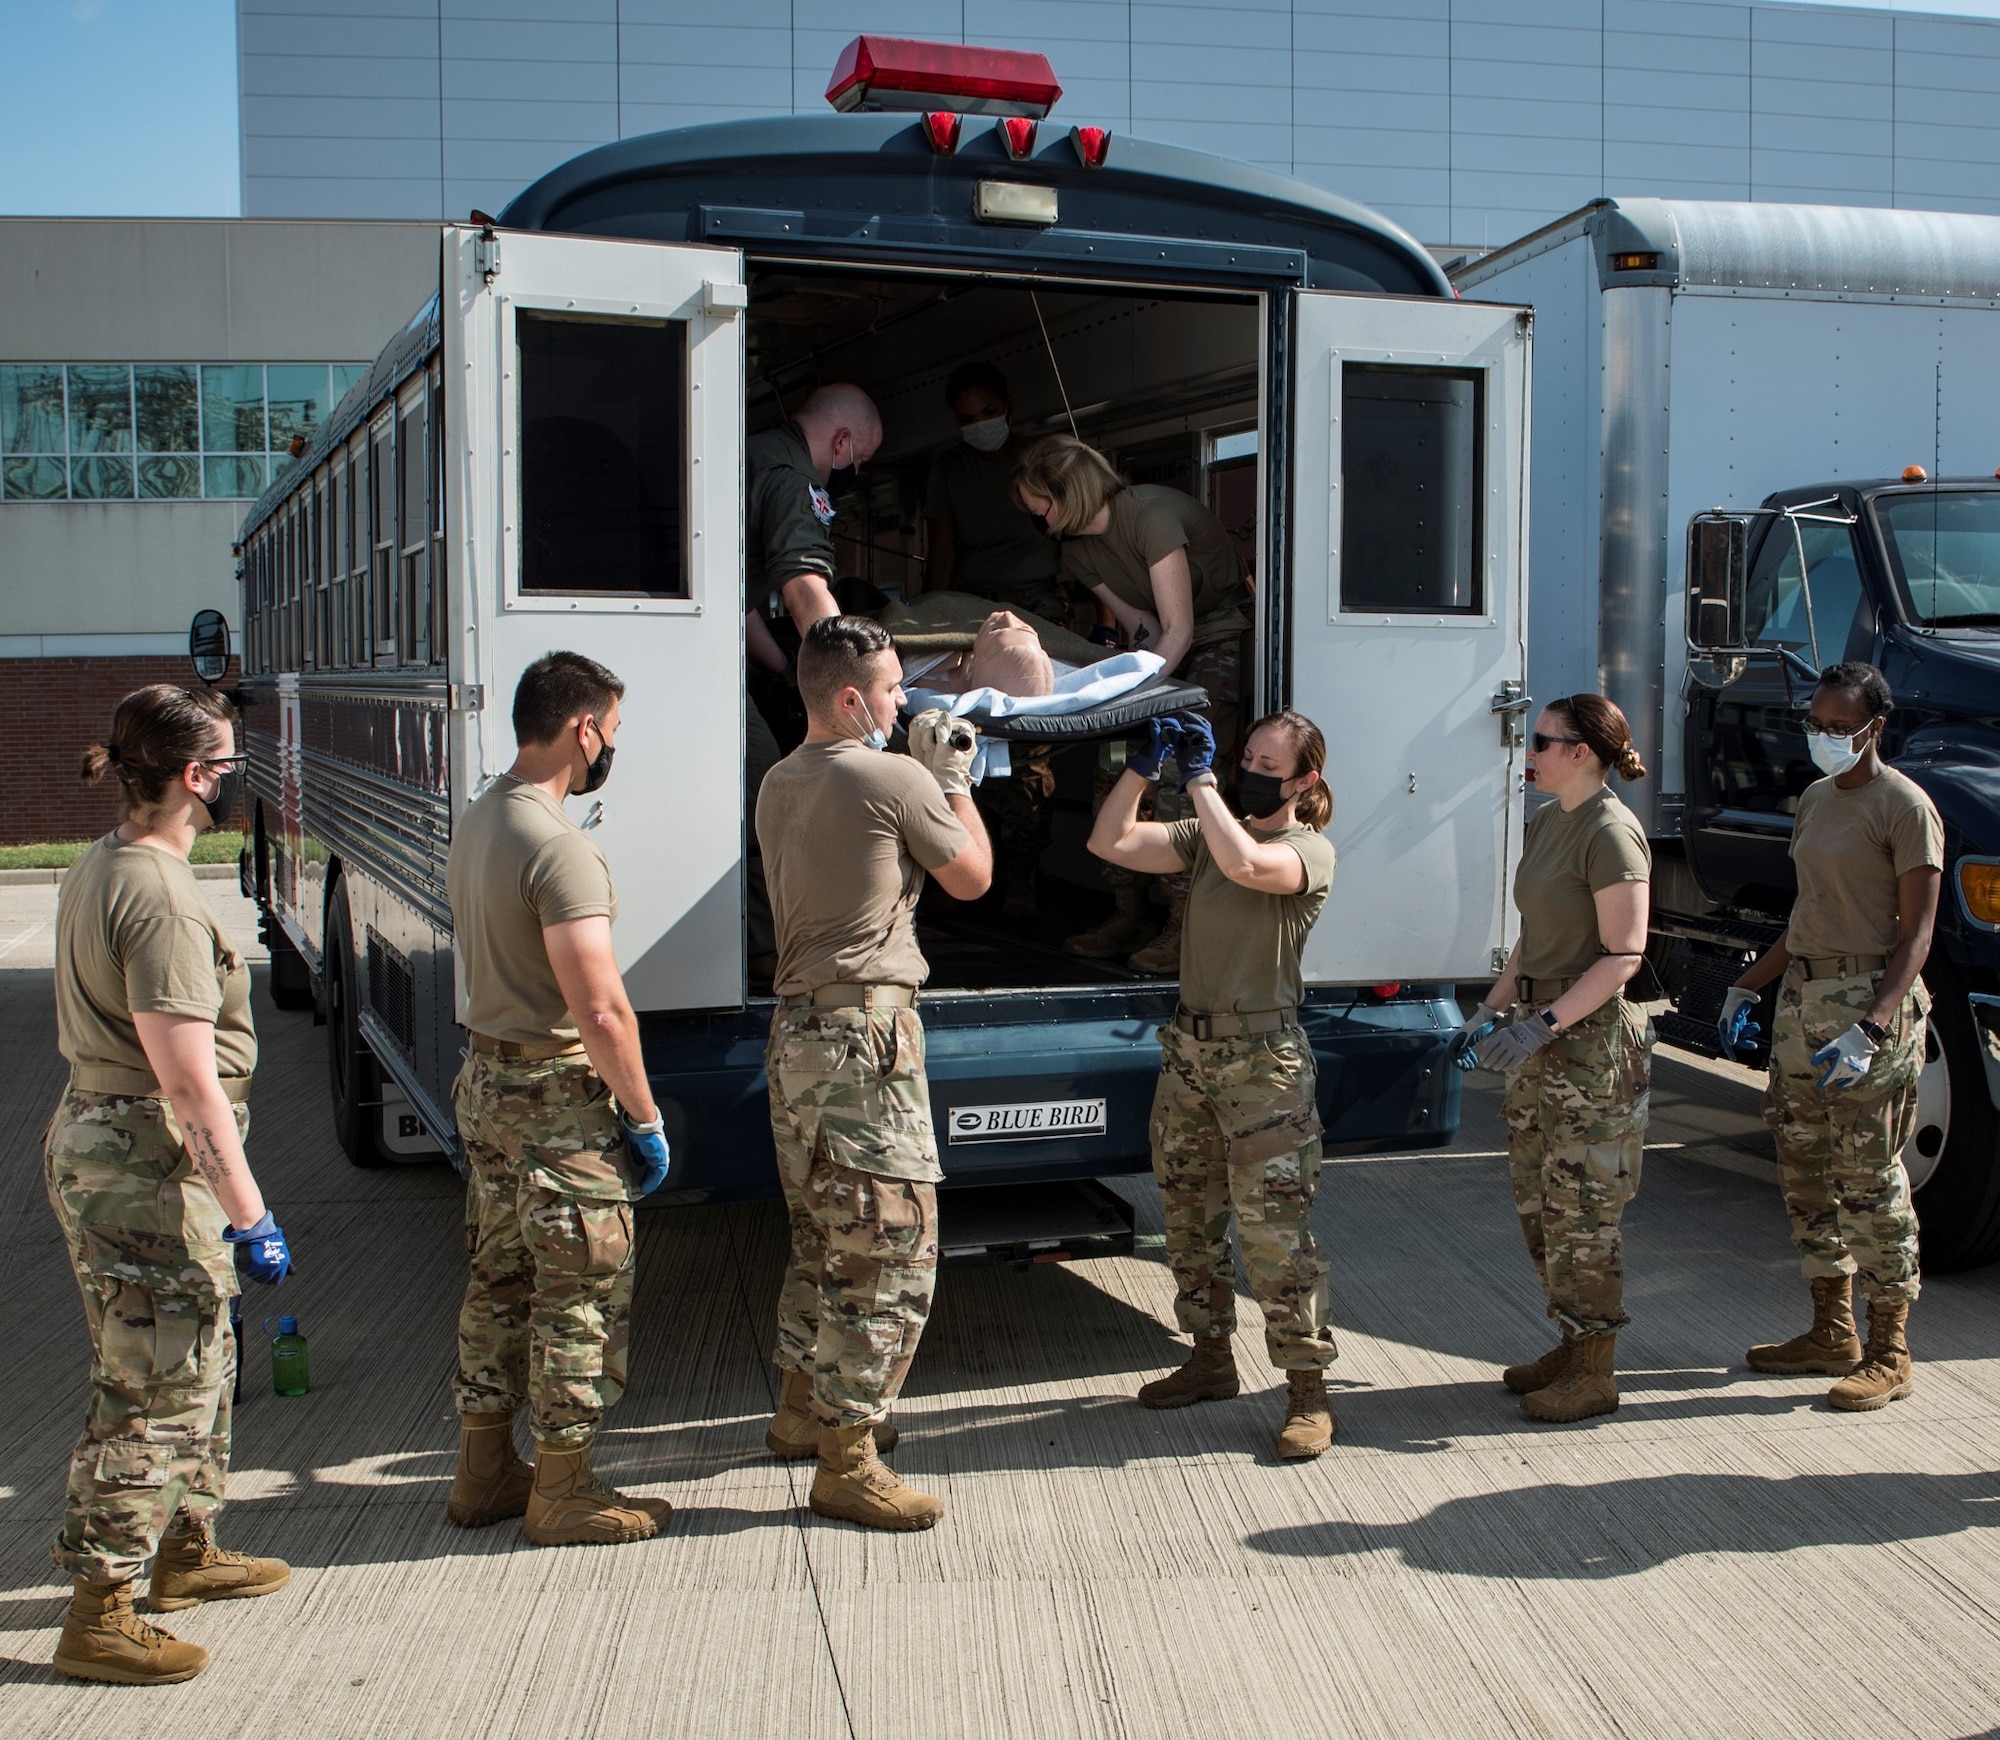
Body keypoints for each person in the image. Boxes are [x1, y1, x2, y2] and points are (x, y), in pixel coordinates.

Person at [46, 684, 293, 1685]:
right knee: (152, 1386)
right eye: (229, 767)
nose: (237, 784)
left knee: (201, 1363)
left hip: (132, 1154)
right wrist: (252, 1212)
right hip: (145, 1161)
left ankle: (185, 1553)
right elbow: (187, 1079)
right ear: (196, 779)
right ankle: (100, 1608)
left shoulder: (108, 863)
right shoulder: (153, 898)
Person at [755, 616, 993, 1530]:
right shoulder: (891, 777)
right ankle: (847, 1456)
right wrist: (952, 781)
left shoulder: (780, 779)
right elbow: (971, 877)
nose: (907, 705)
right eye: (895, 691)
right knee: (892, 1249)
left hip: (800, 1036)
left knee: (823, 1235)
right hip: (866, 1039)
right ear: (851, 697)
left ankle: (799, 1410)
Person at [444, 652, 674, 1548]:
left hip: (488, 1083)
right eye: (611, 729)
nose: (612, 744)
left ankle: (484, 1472)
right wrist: (645, 1116)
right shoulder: (559, 847)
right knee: (578, 1295)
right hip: (553, 1098)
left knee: (498, 1282)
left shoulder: (481, 819)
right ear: (582, 729)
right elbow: (602, 1007)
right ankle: (564, 1491)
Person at [1089, 709, 1341, 1458]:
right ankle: (1208, 1359)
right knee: (1188, 1223)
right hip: (1191, 1058)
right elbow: (1111, 842)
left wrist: (1198, 781)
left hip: (1265, 1064)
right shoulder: (1208, 833)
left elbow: (1246, 867)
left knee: (1275, 1236)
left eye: (1270, 763)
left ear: (1304, 781)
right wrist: (1143, 766)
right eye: (1246, 756)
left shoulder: (1307, 849)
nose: (1250, 770)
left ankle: (1307, 1390)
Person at [1721, 661, 1942, 1410]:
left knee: (1869, 1178)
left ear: (1876, 728)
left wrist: (1875, 1025)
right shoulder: (1817, 799)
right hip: (1803, 999)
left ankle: (1890, 1349)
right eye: (1815, 724)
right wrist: (1749, 983)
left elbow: (1917, 936)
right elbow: (1809, 913)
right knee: (1804, 1170)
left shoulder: (1905, 807)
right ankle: (1830, 1331)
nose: (1824, 737)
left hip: (1866, 1005)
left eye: (1840, 727)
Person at [1458, 694, 1654, 1425]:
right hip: (1541, 1038)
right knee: (1541, 1206)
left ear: (1583, 753)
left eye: (1542, 740)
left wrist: (1543, 1023)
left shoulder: (1611, 833)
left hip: (1589, 1049)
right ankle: (1573, 1344)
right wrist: (1488, 1009)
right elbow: (1532, 935)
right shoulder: (1547, 822)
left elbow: (1624, 954)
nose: (1529, 750)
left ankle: (1596, 1370)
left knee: (1585, 1213)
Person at [1013, 435, 1252, 971]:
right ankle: (1127, 911)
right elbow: (1141, 628)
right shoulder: (1077, 549)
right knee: (1114, 765)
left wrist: (1134, 702)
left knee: (1186, 773)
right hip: (1162, 651)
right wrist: (1121, 709)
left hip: (1215, 636)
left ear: (1068, 493)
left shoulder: (1150, 515)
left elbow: (1180, 628)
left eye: (1039, 502)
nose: (1033, 513)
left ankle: (1187, 925)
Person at [745, 384, 886, 969]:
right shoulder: (789, 477)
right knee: (764, 795)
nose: (854, 473)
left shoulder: (750, 455)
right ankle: (763, 956)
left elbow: (737, 600)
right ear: (843, 440)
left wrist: (780, 668)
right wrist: (861, 683)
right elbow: (805, 586)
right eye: (859, 461)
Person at [924, 364, 1065, 920]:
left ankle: (1023, 879)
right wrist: (932, 623)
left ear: (1008, 405)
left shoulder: (1043, 459)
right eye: (967, 419)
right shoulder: (949, 469)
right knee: (960, 745)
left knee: (1031, 752)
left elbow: (1077, 540)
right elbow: (942, 550)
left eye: (988, 413)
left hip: (1040, 611)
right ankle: (966, 867)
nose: (980, 426)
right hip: (971, 611)